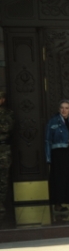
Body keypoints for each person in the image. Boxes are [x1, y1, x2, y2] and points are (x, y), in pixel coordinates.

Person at [0, 90, 13, 218]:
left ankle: (1, 203)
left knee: (3, 178)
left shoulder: (7, 114)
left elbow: (6, 128)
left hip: (3, 149)